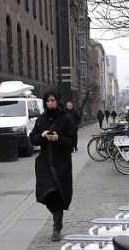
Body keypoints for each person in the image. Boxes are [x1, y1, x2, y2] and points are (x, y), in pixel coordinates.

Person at [31, 89, 75, 242]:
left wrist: (58, 138)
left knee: (57, 195)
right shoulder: (41, 119)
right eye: (47, 101)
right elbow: (33, 139)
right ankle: (57, 219)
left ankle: (57, 227)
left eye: (52, 100)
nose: (50, 103)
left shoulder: (66, 119)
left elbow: (72, 142)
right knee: (46, 194)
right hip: (44, 164)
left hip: (61, 164)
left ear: (57, 101)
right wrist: (42, 136)